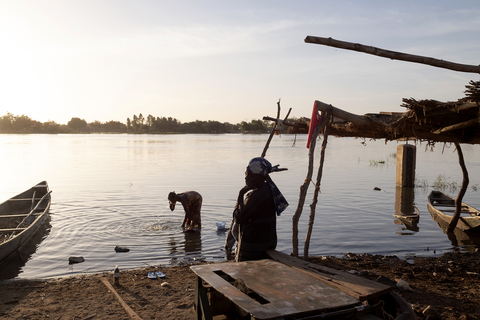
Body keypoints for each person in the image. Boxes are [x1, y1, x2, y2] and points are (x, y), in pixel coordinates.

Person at [225, 157, 288, 262]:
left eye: (250, 175)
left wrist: (240, 194)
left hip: (254, 248)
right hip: (268, 243)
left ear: (260, 177)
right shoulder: (269, 190)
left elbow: (238, 217)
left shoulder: (257, 195)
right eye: (246, 174)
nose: (246, 178)